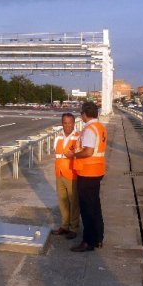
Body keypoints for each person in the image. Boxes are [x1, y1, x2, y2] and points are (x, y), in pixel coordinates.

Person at [65, 102, 107, 253]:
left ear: (84, 114)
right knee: (95, 206)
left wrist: (73, 154)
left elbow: (88, 152)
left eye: (81, 113)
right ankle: (98, 238)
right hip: (97, 171)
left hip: (87, 173)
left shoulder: (89, 129)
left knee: (87, 209)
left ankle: (88, 241)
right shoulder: (100, 127)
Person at [51, 113, 80, 240]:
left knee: (74, 203)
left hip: (72, 174)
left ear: (74, 123)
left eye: (70, 123)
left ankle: (74, 228)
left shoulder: (78, 137)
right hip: (59, 173)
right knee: (62, 201)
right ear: (62, 123)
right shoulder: (58, 137)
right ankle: (65, 225)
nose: (67, 125)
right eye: (65, 123)